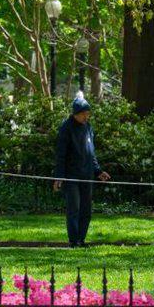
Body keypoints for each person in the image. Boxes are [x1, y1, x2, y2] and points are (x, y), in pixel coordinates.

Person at [54, 94, 110, 247]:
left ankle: (81, 239)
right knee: (74, 209)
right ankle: (73, 241)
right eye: (84, 114)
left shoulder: (88, 127)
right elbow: (61, 155)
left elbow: (91, 153)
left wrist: (98, 171)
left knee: (86, 210)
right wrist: (59, 177)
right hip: (71, 176)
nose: (87, 116)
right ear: (76, 114)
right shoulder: (66, 128)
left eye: (88, 113)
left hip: (87, 175)